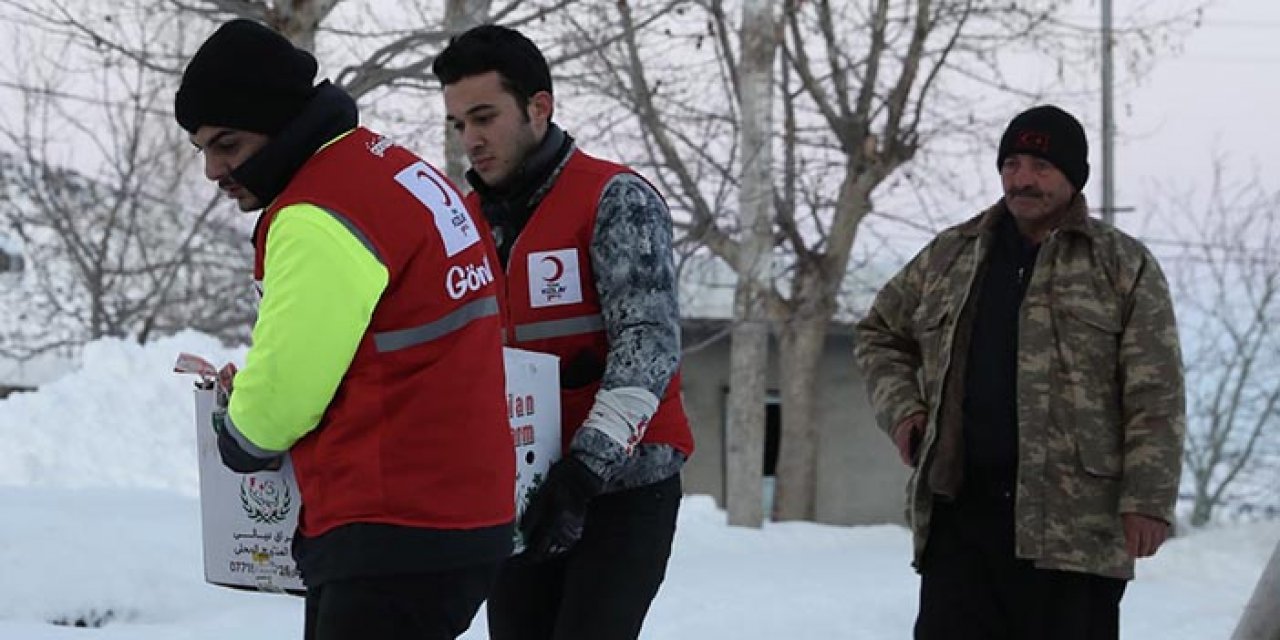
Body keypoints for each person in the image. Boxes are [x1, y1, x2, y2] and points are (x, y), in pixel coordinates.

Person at [174, 19, 515, 640]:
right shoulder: (394, 170)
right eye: (202, 149)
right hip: (464, 515)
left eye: (227, 144)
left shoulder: (318, 212)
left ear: (278, 123)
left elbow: (282, 400)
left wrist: (239, 430)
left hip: (389, 524)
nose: (213, 170)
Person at [854, 105, 1186, 640]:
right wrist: (904, 412)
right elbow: (878, 332)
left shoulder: (1121, 265)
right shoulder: (950, 256)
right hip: (962, 526)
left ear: (1073, 177)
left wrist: (1148, 499)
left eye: (1039, 165)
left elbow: (1156, 394)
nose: (1022, 178)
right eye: (1011, 163)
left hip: (1074, 535)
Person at [432, 24, 695, 640]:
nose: (471, 139)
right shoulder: (460, 222)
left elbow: (648, 347)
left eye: (484, 117)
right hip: (522, 491)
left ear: (538, 107)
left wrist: (582, 473)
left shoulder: (615, 199)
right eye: (458, 125)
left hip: (623, 489)